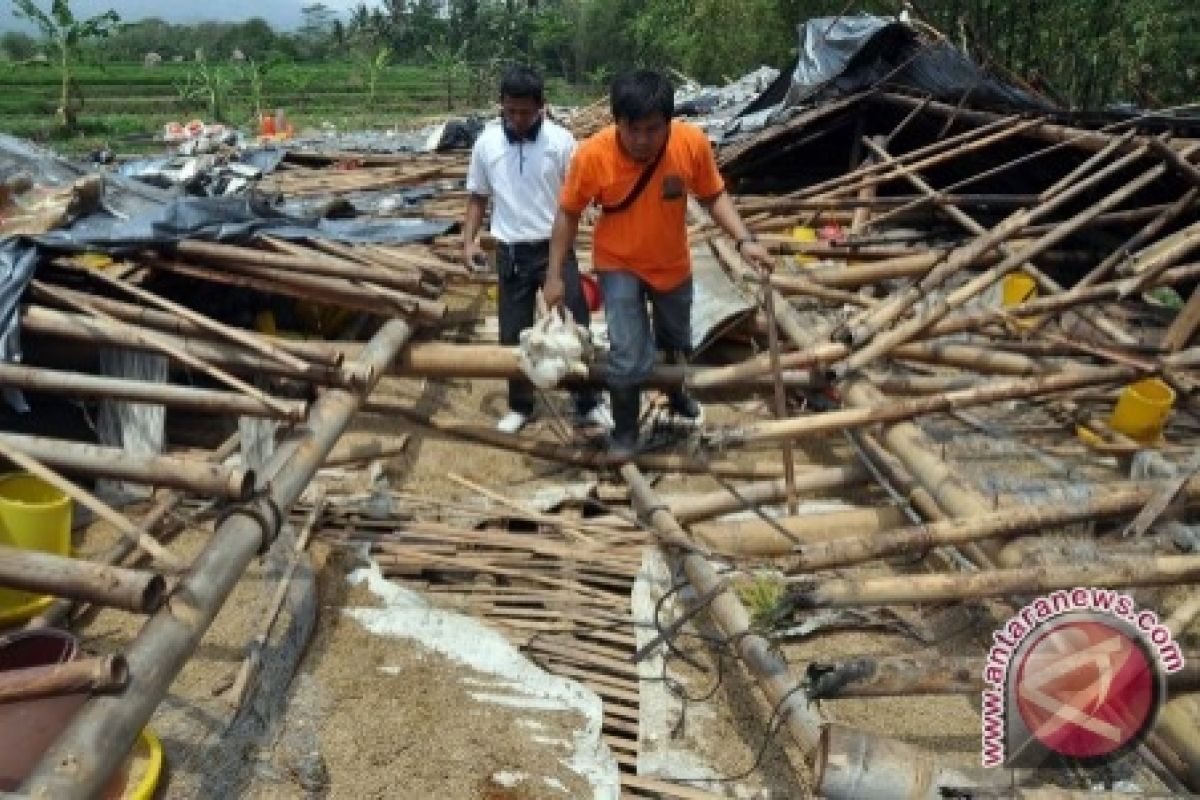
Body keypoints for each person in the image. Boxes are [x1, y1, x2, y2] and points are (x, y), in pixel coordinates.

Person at [544, 68, 775, 458]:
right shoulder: (592, 156)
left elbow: (714, 195)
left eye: (653, 130)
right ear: (616, 121)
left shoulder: (690, 144)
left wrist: (745, 240)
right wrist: (554, 276)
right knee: (627, 351)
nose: (641, 140)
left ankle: (675, 392)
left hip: (672, 266)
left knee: (675, 342)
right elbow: (567, 214)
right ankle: (625, 430)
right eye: (632, 129)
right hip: (618, 264)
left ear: (669, 122)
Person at [462, 65, 610, 434]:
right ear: (501, 106)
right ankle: (520, 405)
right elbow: (477, 198)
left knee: (575, 325)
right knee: (514, 334)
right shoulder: (487, 143)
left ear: (542, 106)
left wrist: (590, 213)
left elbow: (576, 197)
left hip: (553, 248)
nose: (517, 119)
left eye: (525, 112)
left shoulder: (561, 143)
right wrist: (467, 241)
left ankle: (588, 400)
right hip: (510, 251)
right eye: (510, 111)